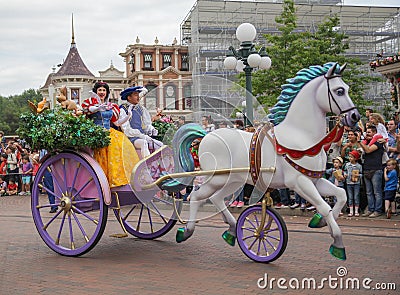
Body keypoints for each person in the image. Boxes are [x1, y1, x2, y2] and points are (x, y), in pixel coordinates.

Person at [81, 82, 139, 187]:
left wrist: (128, 116)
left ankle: (118, 178)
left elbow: (117, 123)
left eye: (104, 90)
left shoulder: (111, 106)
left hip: (109, 131)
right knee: (106, 148)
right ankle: (102, 180)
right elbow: (88, 110)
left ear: (107, 92)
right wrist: (98, 108)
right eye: (100, 90)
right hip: (97, 132)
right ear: (96, 92)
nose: (102, 92)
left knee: (122, 144)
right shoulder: (90, 102)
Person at [119, 86, 163, 158]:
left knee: (159, 144)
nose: (138, 97)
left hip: (142, 137)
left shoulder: (141, 109)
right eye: (135, 95)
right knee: (144, 143)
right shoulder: (123, 109)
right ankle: (146, 165)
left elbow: (146, 124)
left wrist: (151, 129)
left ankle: (157, 167)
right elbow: (126, 130)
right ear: (129, 97)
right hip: (129, 138)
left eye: (138, 95)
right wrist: (141, 135)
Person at [359, 125, 384, 217]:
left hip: (376, 169)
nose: (367, 134)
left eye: (369, 132)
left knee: (377, 192)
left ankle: (378, 210)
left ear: (374, 133)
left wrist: (359, 142)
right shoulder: (366, 142)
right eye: (366, 132)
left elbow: (368, 150)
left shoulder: (378, 142)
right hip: (366, 168)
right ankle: (370, 209)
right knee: (369, 192)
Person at [343, 150, 363, 217]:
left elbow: (361, 174)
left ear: (355, 158)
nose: (350, 158)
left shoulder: (359, 166)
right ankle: (351, 211)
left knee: (356, 196)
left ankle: (356, 210)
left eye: (351, 157)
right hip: (349, 183)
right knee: (350, 197)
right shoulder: (347, 165)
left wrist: (358, 175)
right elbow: (345, 171)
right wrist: (345, 175)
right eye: (349, 157)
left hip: (356, 183)